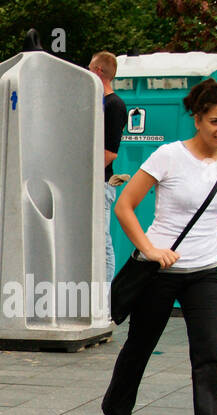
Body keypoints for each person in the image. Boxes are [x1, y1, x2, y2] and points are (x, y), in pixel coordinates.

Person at [102, 79, 217, 415]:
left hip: (205, 274)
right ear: (197, 118)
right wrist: (149, 249)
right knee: (140, 345)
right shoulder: (168, 155)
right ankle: (118, 411)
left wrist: (214, 255)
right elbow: (125, 206)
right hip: (159, 271)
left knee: (209, 355)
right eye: (215, 120)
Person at [90, 51, 127, 283]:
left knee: (102, 243)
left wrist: (87, 177)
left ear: (98, 71)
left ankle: (104, 298)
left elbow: (110, 152)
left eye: (89, 67)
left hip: (101, 183)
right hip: (94, 182)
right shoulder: (98, 102)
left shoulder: (114, 105)